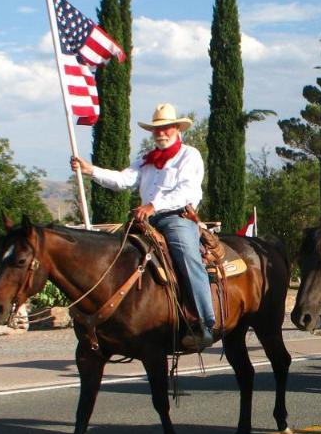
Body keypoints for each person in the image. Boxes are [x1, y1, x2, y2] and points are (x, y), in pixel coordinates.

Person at [72, 103, 216, 351]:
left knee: (187, 256)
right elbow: (123, 180)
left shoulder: (189, 155)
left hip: (176, 218)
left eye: (166, 128)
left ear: (177, 129)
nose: (160, 133)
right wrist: (90, 170)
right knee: (113, 253)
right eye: (156, 129)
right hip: (146, 220)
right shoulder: (146, 161)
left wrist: (153, 205)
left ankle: (205, 322)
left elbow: (188, 191)